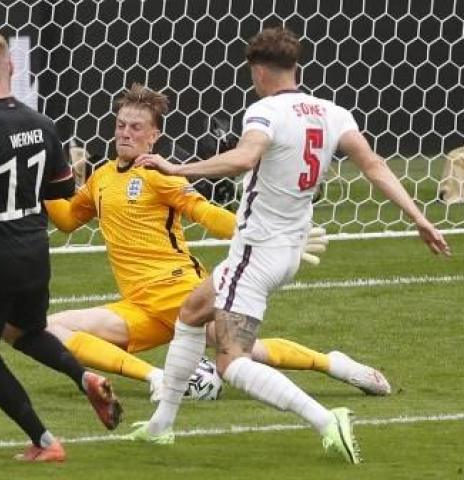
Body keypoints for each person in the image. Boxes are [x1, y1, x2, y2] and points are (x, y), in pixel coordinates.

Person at [128, 26, 451, 464]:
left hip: (255, 253)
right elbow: (374, 165)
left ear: (259, 71)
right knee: (190, 313)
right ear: (294, 66)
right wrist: (420, 219)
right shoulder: (331, 112)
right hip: (288, 251)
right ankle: (162, 426)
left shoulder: (265, 111)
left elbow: (244, 158)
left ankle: (325, 418)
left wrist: (176, 168)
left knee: (231, 362)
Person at [44, 82, 391, 404]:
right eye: (121, 125)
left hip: (177, 289)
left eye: (136, 127)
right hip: (139, 305)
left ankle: (336, 365)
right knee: (51, 329)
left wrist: (268, 238)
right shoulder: (101, 177)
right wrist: (38, 188)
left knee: (243, 351)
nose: (125, 132)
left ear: (154, 135)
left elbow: (206, 213)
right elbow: (68, 220)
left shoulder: (158, 175)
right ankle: (156, 377)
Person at [0, 32, 121, 464]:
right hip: (34, 254)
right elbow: (65, 190)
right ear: (11, 67)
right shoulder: (43, 125)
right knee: (22, 331)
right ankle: (82, 375)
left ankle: (45, 442)